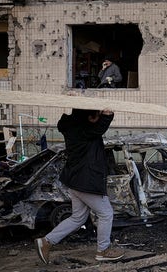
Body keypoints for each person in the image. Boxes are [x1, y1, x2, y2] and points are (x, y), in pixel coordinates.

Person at [35, 108, 125, 264]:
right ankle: (103, 250)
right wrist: (107, 116)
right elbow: (99, 128)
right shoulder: (86, 130)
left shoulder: (71, 126)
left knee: (78, 217)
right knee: (106, 214)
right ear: (90, 117)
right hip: (86, 182)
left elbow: (67, 123)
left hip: (76, 181)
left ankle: (46, 242)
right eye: (96, 115)